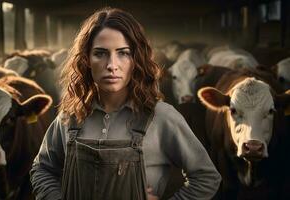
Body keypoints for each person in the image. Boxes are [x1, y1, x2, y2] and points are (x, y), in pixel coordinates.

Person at [30, 7, 221, 200]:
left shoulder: (162, 116)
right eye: (100, 53)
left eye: (123, 53)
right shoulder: (69, 116)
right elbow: (42, 169)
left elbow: (206, 177)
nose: (112, 65)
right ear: (86, 59)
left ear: (136, 59)